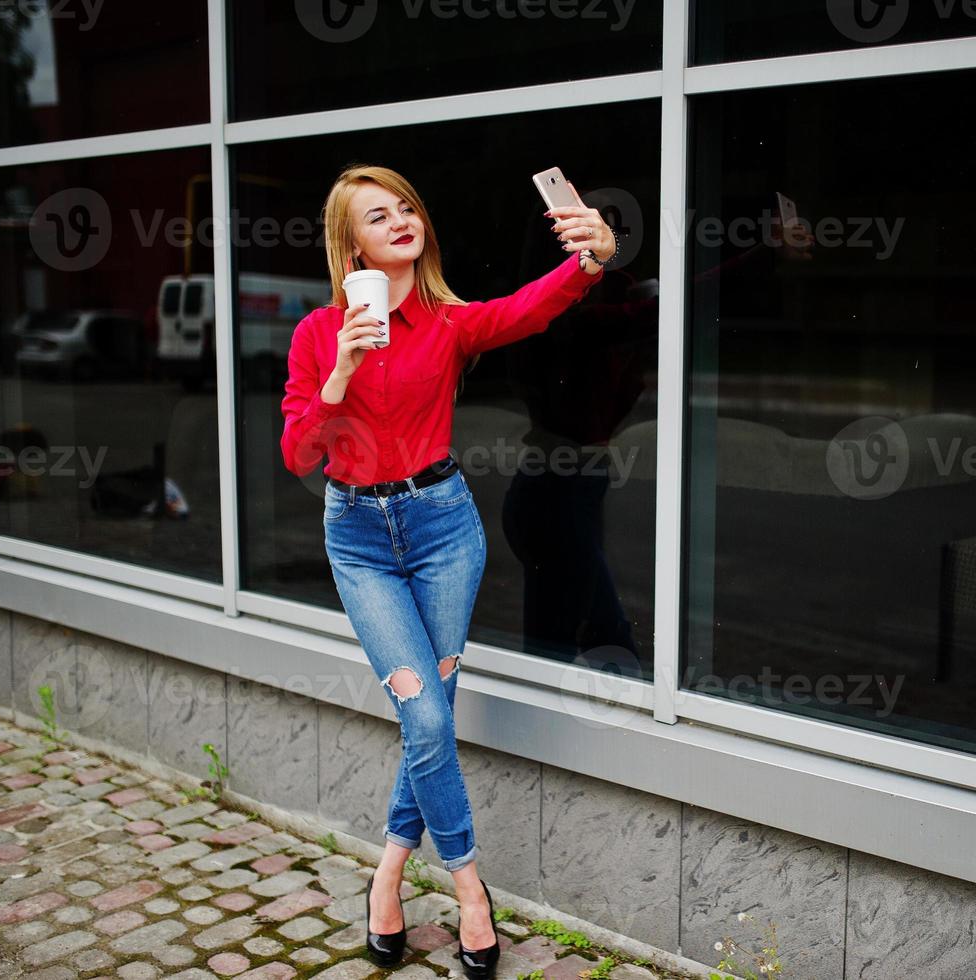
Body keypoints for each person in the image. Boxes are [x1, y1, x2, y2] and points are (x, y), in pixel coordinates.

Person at [279, 164, 616, 974]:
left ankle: (387, 875)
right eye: (376, 215)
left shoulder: (448, 322)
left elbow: (530, 307)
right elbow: (298, 452)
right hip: (359, 539)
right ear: (350, 242)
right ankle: (469, 887)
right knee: (427, 720)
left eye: (406, 208)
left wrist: (593, 259)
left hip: (442, 532)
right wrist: (340, 373)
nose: (398, 221)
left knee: (427, 717)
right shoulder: (319, 333)